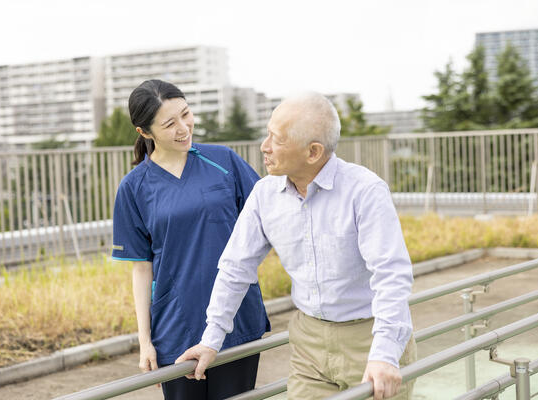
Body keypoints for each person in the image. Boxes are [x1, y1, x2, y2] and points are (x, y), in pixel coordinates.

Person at [176, 92, 417, 400]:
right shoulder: (264, 195)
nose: (265, 147)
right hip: (308, 342)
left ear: (313, 152)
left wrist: (384, 353)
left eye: (276, 139)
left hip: (369, 336)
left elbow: (391, 275)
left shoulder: (365, 191)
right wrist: (211, 340)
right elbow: (235, 269)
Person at [111, 79, 270, 400]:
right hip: (176, 326)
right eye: (169, 124)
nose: (184, 128)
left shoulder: (223, 161)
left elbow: (268, 220)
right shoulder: (134, 188)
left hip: (236, 317)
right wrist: (145, 341)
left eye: (186, 114)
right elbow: (142, 269)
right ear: (145, 132)